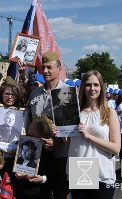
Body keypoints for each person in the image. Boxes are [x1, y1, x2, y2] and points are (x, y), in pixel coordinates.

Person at [64, 70, 120, 199]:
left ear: (101, 87)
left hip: (101, 169)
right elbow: (71, 145)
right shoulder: (74, 112)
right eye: (88, 85)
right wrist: (61, 133)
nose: (92, 88)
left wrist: (89, 136)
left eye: (96, 85)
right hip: (79, 167)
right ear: (83, 87)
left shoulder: (109, 112)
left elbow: (116, 148)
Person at [27, 51, 70, 199]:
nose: (45, 71)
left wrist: (56, 142)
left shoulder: (67, 92)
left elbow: (71, 128)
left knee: (61, 192)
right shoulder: (35, 94)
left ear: (59, 69)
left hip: (61, 154)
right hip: (38, 154)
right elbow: (29, 123)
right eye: (43, 67)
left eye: (49, 67)